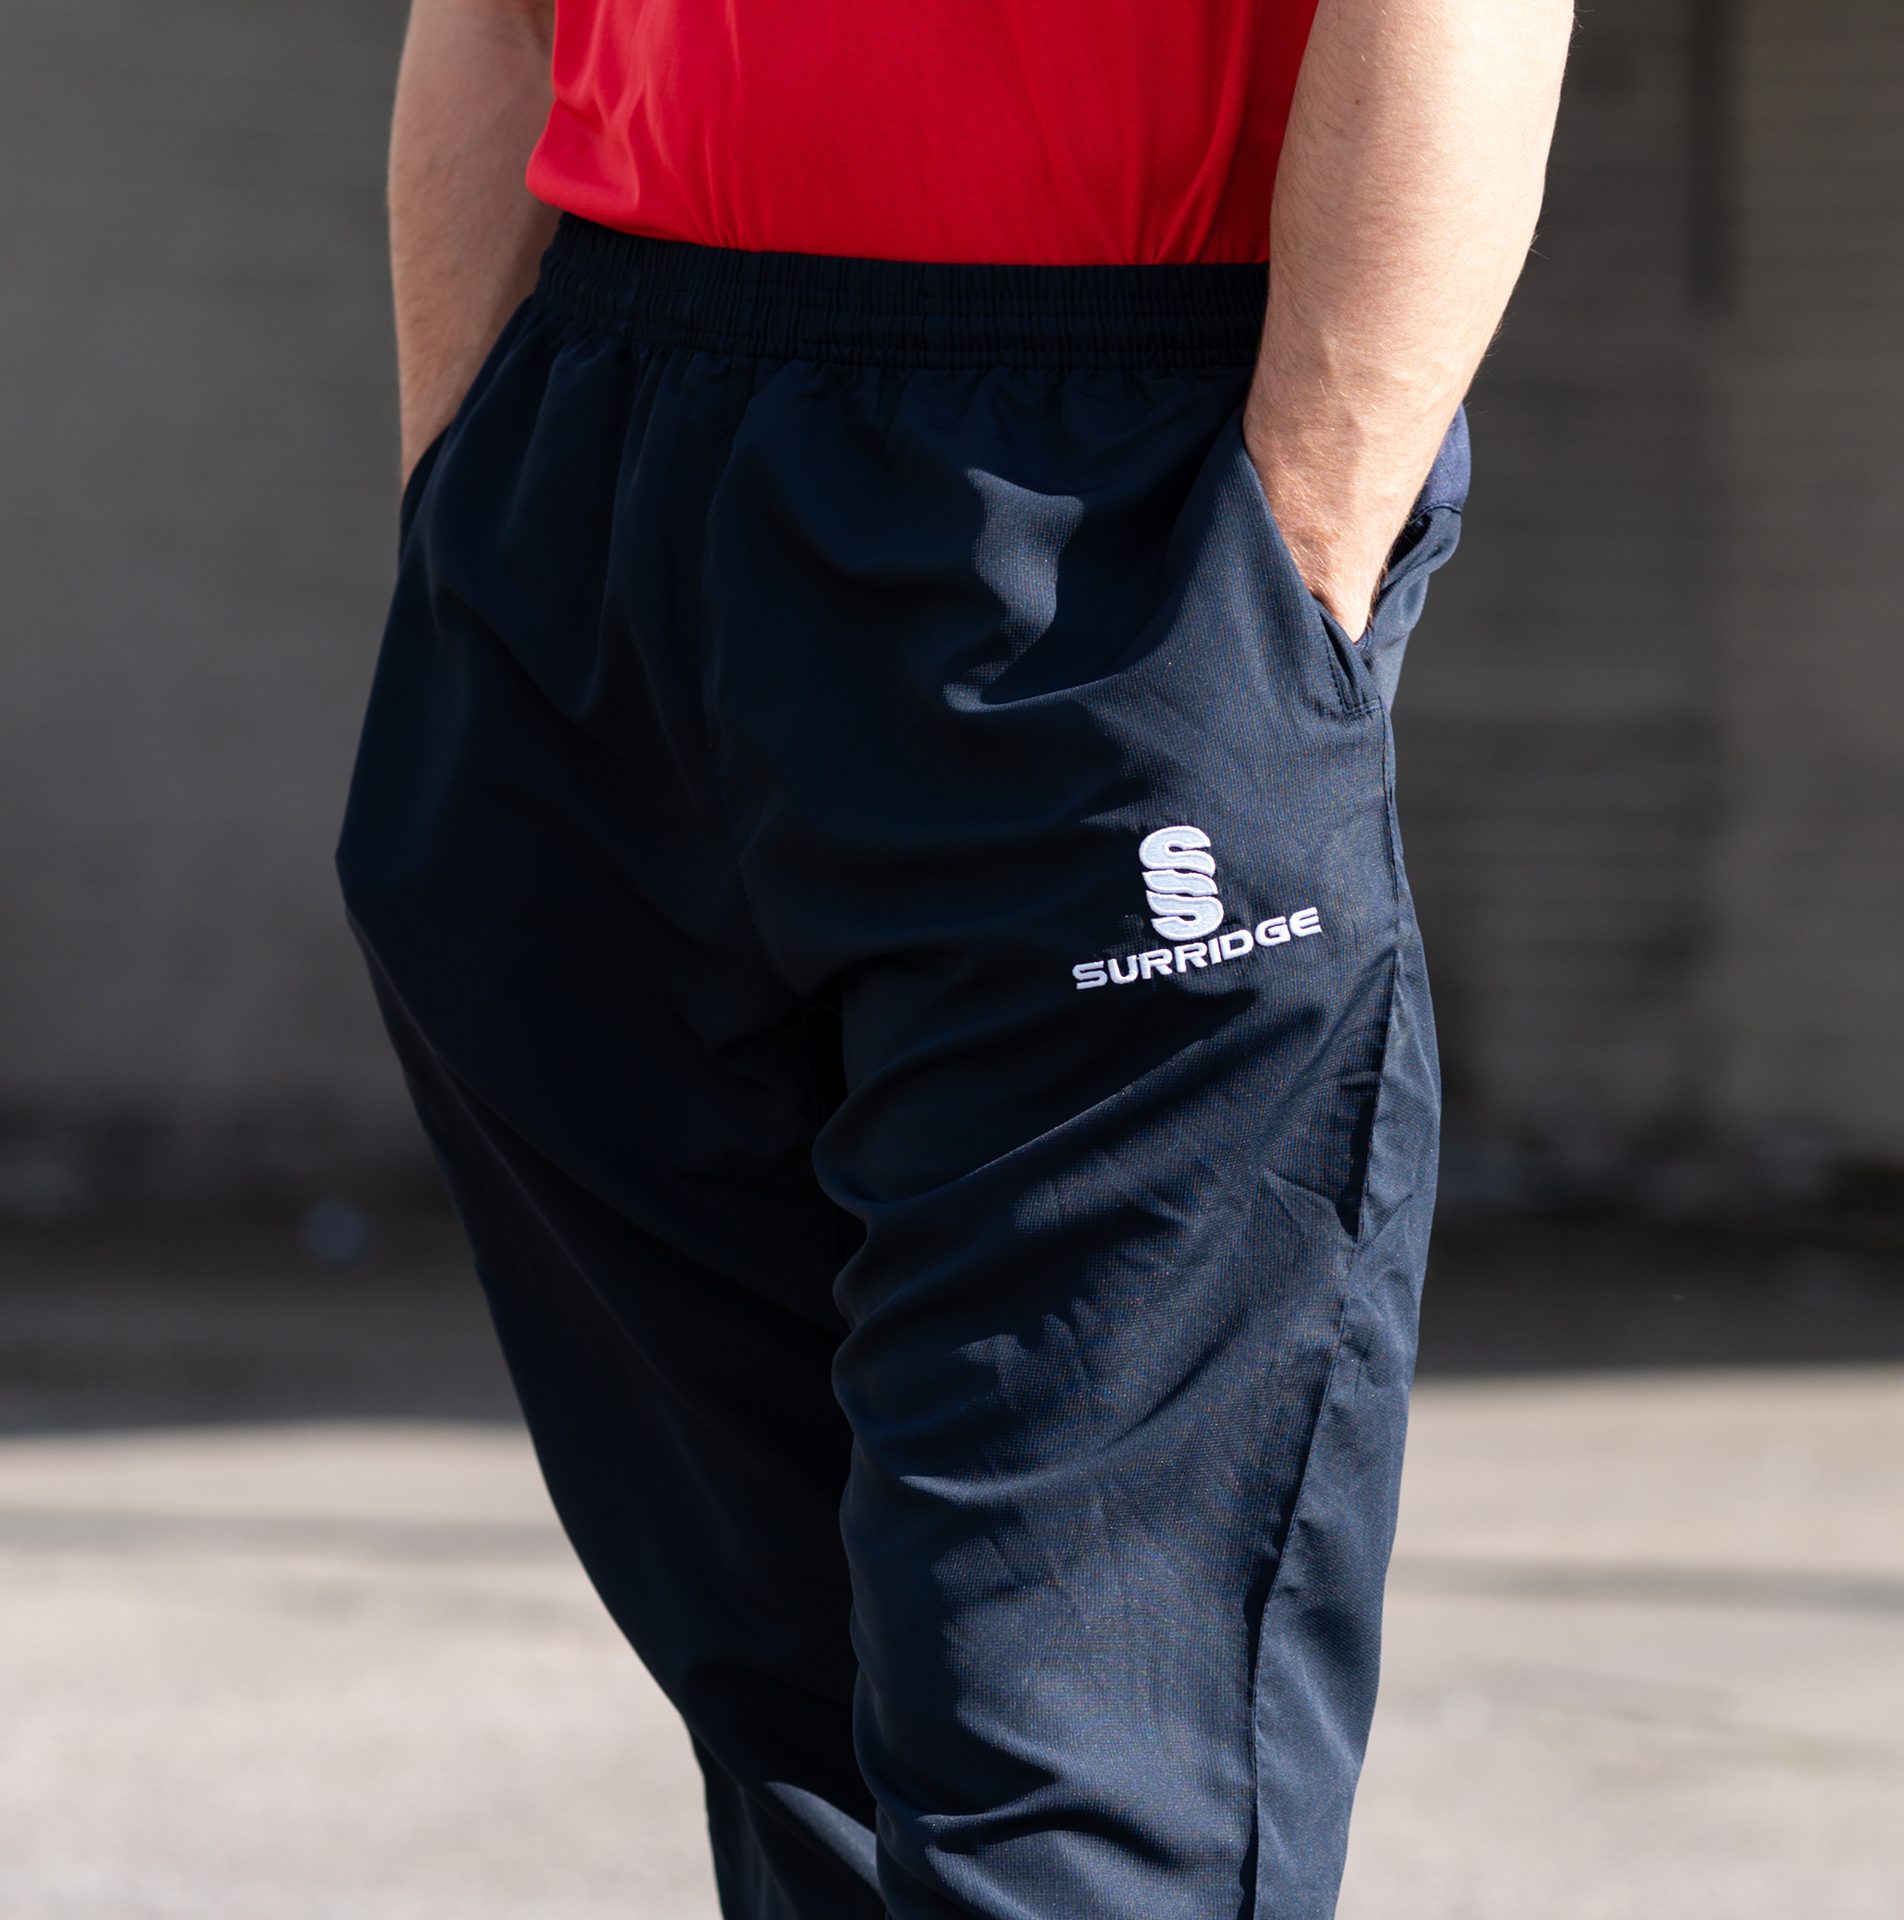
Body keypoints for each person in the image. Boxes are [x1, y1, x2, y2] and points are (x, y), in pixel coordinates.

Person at [338, 0, 1570, 1913]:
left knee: (1076, 1742)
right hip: (600, 438)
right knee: (791, 1698)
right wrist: (466, 499)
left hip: (1100, 471)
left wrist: (1291, 579)